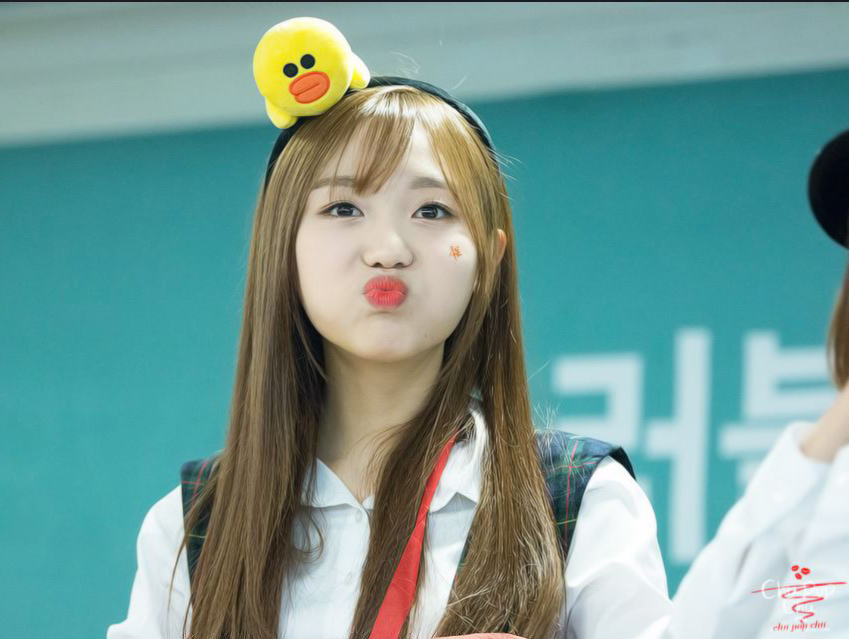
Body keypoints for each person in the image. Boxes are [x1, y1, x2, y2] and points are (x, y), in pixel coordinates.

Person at [107, 17, 849, 639]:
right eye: (342, 208)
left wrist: (820, 444)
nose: (388, 247)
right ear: (282, 249)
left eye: (431, 210)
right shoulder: (195, 525)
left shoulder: (573, 498)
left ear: (489, 258)